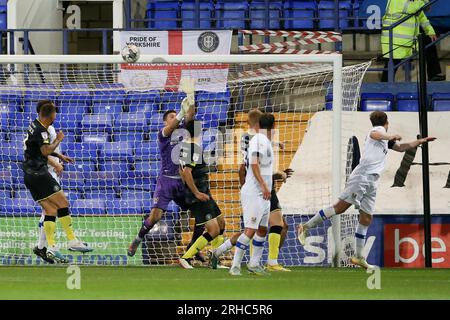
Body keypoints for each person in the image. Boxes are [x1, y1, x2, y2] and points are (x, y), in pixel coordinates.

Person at [297, 111, 436, 269]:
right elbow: (377, 135)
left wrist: (420, 141)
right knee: (340, 208)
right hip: (362, 177)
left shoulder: (384, 139)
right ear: (386, 122)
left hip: (373, 181)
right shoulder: (377, 132)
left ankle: (359, 257)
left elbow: (402, 147)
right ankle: (305, 226)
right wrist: (389, 136)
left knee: (366, 218)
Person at [127, 78, 207, 262]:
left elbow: (190, 116)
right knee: (155, 217)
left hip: (183, 180)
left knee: (201, 212)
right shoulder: (163, 134)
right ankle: (137, 239)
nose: (174, 119)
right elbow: (174, 124)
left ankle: (194, 246)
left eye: (175, 116)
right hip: (166, 181)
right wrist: (180, 111)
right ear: (165, 121)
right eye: (170, 117)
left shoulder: (185, 132)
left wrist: (190, 98)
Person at [210, 110, 292, 272]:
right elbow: (252, 164)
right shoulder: (257, 140)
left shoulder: (262, 140)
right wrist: (261, 184)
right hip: (256, 191)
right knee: (252, 230)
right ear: (272, 126)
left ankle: (254, 263)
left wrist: (277, 145)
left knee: (261, 229)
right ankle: (236, 266)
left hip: (264, 192)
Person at [23, 100, 92, 263]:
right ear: (51, 115)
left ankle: (51, 248)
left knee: (50, 210)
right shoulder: (42, 131)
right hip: (39, 173)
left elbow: (38, 150)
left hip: (29, 175)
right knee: (63, 202)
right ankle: (72, 240)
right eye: (55, 113)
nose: (56, 116)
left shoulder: (35, 124)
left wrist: (60, 156)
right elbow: (46, 150)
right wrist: (59, 139)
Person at [177, 120, 226, 269]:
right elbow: (186, 172)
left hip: (204, 192)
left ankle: (215, 259)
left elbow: (181, 170)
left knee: (221, 223)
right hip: (199, 195)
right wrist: (196, 192)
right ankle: (186, 257)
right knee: (214, 229)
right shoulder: (192, 148)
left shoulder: (187, 146)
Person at [381, 0, 443, 81]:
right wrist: (424, 2)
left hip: (408, 39)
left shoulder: (414, 2)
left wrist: (430, 32)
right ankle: (383, 89)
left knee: (429, 41)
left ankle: (433, 74)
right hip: (394, 40)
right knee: (391, 66)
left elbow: (422, 18)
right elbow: (412, 8)